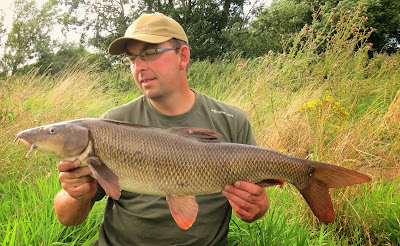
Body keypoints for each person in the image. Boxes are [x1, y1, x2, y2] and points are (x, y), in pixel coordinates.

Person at [54, 13, 269, 245]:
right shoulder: (112, 124)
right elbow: (68, 218)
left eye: (150, 53)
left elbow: (258, 206)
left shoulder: (231, 120)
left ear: (182, 56)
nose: (139, 67)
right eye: (132, 59)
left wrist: (255, 206)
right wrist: (75, 195)